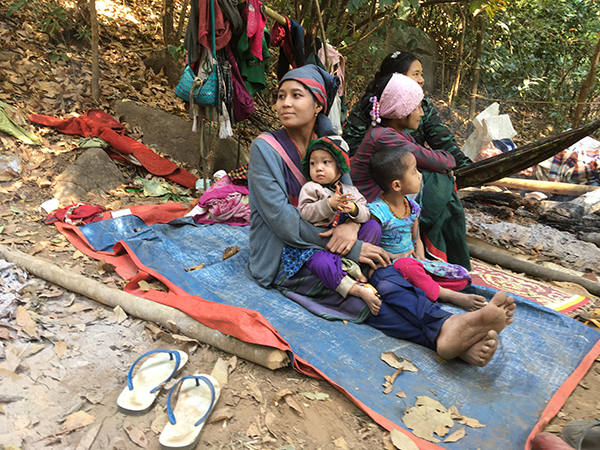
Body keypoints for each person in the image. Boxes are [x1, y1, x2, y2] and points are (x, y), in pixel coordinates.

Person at [245, 64, 515, 366]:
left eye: (296, 95)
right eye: (281, 96)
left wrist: (350, 226)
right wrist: (354, 245)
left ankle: (445, 327)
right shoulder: (265, 149)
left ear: (319, 103)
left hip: (333, 240)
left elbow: (350, 194)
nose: (285, 103)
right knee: (356, 293)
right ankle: (441, 333)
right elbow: (283, 223)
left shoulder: (331, 142)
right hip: (288, 254)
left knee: (383, 269)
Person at [349, 72, 472, 270]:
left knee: (438, 179)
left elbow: (425, 157)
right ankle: (441, 253)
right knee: (440, 183)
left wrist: (444, 166)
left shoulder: (395, 133)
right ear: (402, 110)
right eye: (417, 107)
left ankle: (436, 253)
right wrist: (448, 162)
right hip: (368, 203)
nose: (422, 113)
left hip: (385, 195)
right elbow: (430, 158)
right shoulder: (384, 137)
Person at [368, 145, 486, 311]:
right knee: (406, 267)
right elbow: (370, 248)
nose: (420, 176)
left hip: (413, 264)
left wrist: (422, 260)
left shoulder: (413, 207)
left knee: (461, 275)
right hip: (391, 266)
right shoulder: (377, 212)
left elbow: (416, 238)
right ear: (397, 185)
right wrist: (399, 256)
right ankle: (448, 295)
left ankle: (425, 287)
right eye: (414, 171)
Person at [286, 135, 382, 315]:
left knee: (373, 227)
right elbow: (305, 212)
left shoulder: (350, 190)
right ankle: (356, 289)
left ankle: (356, 268)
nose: (318, 168)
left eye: (326, 162)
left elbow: (366, 213)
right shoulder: (311, 188)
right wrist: (328, 204)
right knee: (321, 262)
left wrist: (353, 209)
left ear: (340, 167)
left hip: (347, 244)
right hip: (319, 245)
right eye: (313, 163)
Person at [343, 50, 471, 168]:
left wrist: (466, 167)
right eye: (416, 74)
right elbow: (352, 150)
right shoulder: (370, 107)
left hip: (411, 171)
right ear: (396, 79)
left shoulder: (423, 105)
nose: (421, 80)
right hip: (381, 176)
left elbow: (441, 140)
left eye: (421, 74)